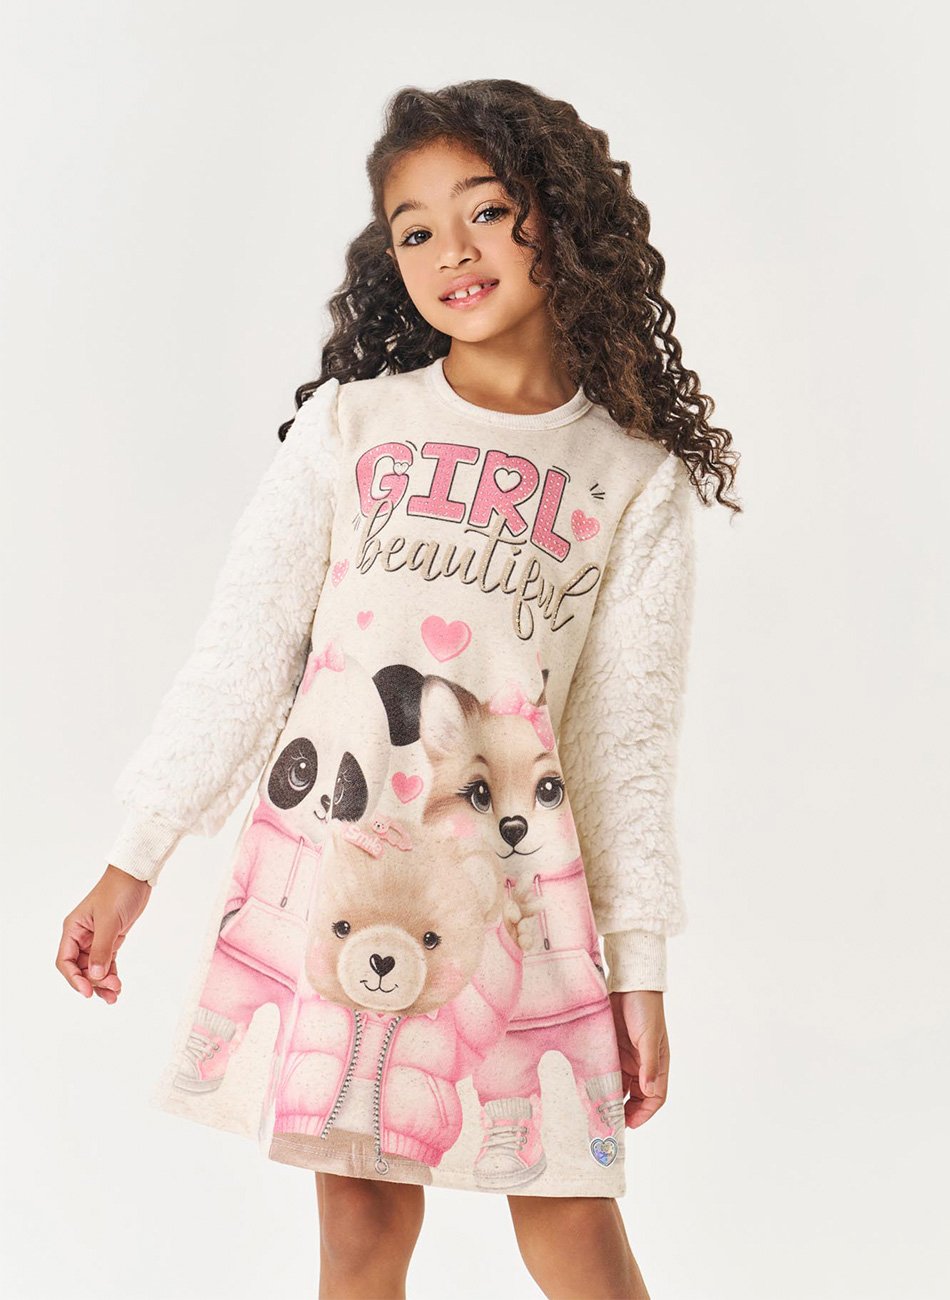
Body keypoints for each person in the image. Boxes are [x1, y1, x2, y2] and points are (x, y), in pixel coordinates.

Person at [57, 79, 740, 1300]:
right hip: (351, 880)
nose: (451, 251)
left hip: (517, 904)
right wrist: (134, 857)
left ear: (559, 217)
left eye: (485, 210)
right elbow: (245, 649)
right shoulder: (352, 425)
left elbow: (619, 750)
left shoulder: (630, 477)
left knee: (573, 1226)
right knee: (362, 1230)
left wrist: (636, 969)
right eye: (414, 230)